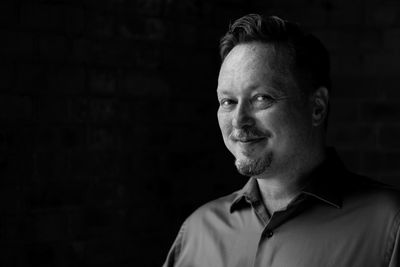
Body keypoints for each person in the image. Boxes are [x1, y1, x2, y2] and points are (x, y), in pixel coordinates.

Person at [163, 14, 400, 267]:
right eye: (228, 102)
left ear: (317, 108)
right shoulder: (198, 231)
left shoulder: (390, 224)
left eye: (262, 98)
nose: (239, 120)